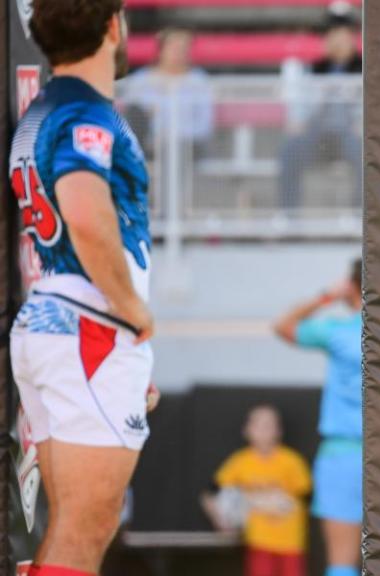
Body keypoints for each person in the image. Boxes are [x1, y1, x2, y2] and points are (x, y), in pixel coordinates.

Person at [9, 2, 155, 575]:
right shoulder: (86, 114)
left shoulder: (39, 111)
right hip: (90, 327)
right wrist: (132, 313)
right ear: (113, 25)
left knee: (74, 524)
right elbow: (87, 214)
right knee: (86, 530)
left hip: (55, 319)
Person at [274, 260, 362, 576]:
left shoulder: (338, 332)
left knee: (342, 562)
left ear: (351, 286)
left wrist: (327, 296)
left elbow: (282, 326)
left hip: (343, 454)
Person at [203, 405, 312, 576]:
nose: (264, 431)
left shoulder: (291, 461)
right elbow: (209, 492)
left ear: (279, 431)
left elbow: (307, 496)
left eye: (269, 425)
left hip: (291, 543)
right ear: (247, 430)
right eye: (258, 425)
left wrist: (278, 502)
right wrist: (221, 520)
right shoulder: (240, 462)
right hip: (259, 542)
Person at [278, 12, 362, 209]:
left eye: (343, 35)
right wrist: (298, 121)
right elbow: (303, 107)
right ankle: (290, 219)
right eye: (333, 35)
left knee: (366, 155)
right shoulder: (314, 69)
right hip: (319, 134)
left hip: (351, 135)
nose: (338, 41)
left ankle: (359, 217)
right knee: (290, 150)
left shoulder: (364, 68)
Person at [122, 28, 214, 156]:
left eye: (183, 48)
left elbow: (203, 125)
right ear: (161, 50)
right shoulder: (140, 81)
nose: (178, 53)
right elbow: (131, 121)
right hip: (149, 148)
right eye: (173, 47)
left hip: (188, 149)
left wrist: (177, 138)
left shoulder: (199, 81)